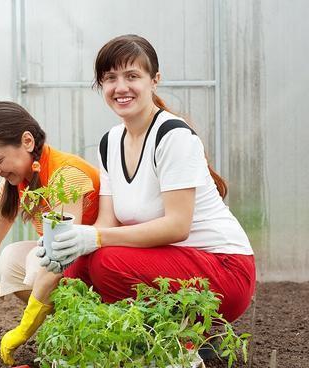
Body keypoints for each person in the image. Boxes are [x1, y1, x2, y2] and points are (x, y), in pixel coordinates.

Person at [40, 34, 255, 323]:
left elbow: (177, 226)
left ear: (154, 80)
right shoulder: (110, 142)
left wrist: (94, 237)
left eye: (132, 76)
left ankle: (182, 336)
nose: (121, 87)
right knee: (76, 269)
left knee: (106, 262)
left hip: (223, 270)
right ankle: (124, 339)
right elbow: (107, 222)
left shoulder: (173, 137)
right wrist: (65, 245)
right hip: (171, 264)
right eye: (110, 78)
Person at [0, 101, 100, 365]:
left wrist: (24, 329)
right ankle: (67, 327)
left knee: (38, 263)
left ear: (26, 141)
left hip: (96, 268)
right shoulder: (18, 184)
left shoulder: (66, 175)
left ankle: (91, 324)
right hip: (67, 267)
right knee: (12, 259)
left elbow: (59, 259)